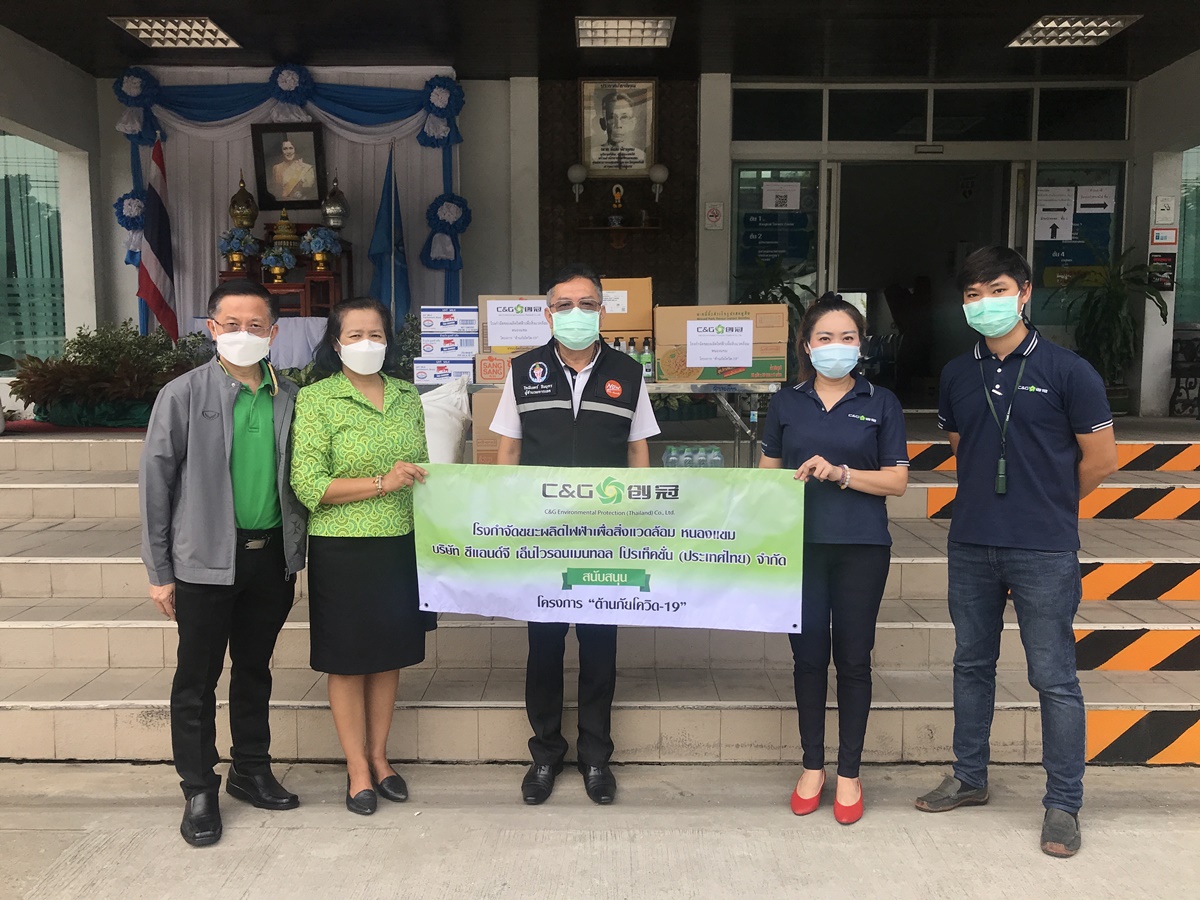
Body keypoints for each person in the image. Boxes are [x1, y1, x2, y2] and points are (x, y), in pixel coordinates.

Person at [915, 247, 1118, 858]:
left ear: (1024, 292)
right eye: (973, 295)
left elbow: (1102, 459)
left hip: (1044, 548)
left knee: (1053, 677)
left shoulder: (1069, 371)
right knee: (971, 664)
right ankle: (969, 776)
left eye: (997, 290)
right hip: (972, 541)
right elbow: (963, 446)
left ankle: (1064, 803)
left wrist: (1049, 502)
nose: (985, 304)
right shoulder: (957, 374)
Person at [139, 279, 307, 847]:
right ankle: (198, 788)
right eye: (231, 324)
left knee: (255, 670)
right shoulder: (183, 394)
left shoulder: (289, 396)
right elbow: (155, 485)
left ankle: (251, 769)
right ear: (211, 329)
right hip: (204, 563)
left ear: (273, 333)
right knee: (197, 679)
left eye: (255, 325)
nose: (243, 334)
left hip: (270, 559)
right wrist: (159, 571)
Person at [492, 263, 660, 805]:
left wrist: (639, 518)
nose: (575, 313)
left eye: (586, 304)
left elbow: (637, 450)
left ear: (602, 311)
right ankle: (545, 754)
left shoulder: (628, 372)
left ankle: (595, 758)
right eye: (564, 305)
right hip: (541, 537)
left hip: (604, 536)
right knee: (543, 646)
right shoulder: (523, 370)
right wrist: (505, 520)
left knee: (599, 646)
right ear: (548, 314)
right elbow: (508, 450)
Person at [758, 293, 909, 826]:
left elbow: (897, 481)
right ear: (806, 345)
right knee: (806, 659)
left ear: (861, 345)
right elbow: (767, 478)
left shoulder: (881, 402)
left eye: (847, 337)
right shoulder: (786, 403)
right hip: (799, 547)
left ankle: (849, 772)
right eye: (825, 337)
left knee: (853, 659)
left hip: (861, 548)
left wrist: (842, 473)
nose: (836, 346)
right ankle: (811, 767)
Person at [290, 297, 431, 817]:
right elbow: (308, 483)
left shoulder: (407, 395)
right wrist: (381, 482)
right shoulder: (317, 399)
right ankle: (356, 769)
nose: (367, 343)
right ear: (336, 343)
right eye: (355, 335)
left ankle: (380, 757)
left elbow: (423, 465)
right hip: (343, 547)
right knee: (348, 662)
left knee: (388, 656)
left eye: (376, 334)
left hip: (399, 542)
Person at [591, 91, 647, 170]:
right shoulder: (592, 156)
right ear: (603, 123)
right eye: (611, 118)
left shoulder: (642, 157)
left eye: (624, 117)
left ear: (632, 123)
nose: (618, 125)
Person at [270, 136, 317, 202]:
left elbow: (310, 192)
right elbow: (275, 191)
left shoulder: (306, 168)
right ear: (281, 151)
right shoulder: (276, 168)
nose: (288, 151)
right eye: (285, 149)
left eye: (291, 148)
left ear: (295, 149)